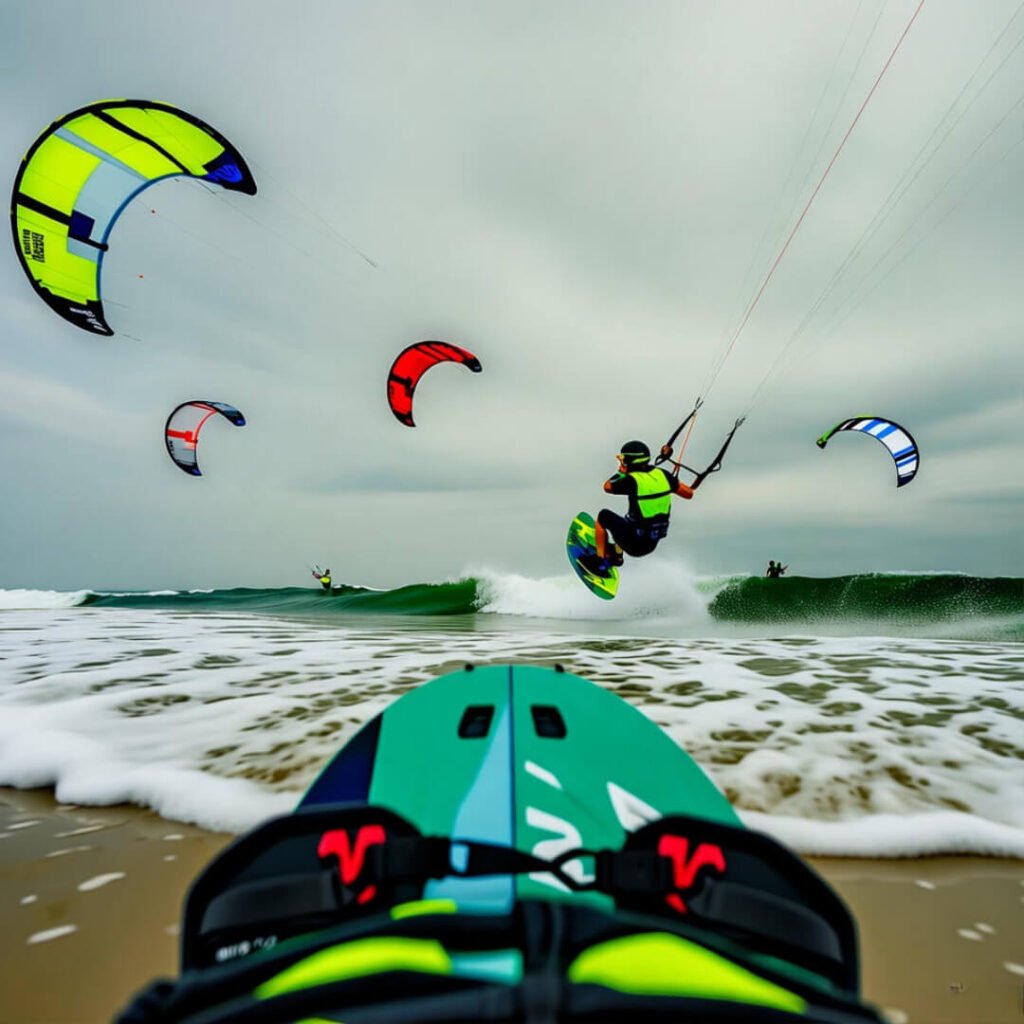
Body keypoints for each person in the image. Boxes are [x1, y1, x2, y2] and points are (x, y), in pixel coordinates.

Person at [582, 440, 695, 575]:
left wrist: (621, 472)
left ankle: (600, 563)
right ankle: (616, 554)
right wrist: (671, 483)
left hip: (634, 543)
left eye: (623, 460)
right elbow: (688, 493)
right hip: (651, 543)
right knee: (630, 518)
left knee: (604, 516)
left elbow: (607, 486)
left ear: (628, 461)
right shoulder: (663, 475)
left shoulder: (631, 480)